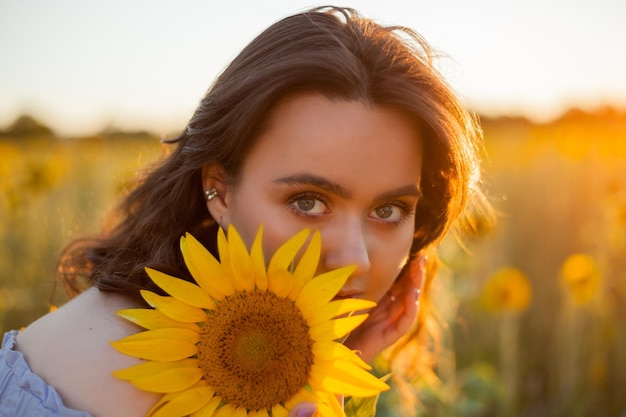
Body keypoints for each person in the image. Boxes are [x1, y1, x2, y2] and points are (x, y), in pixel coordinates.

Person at [0, 5, 488, 417]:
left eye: (389, 209)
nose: (355, 259)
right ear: (220, 190)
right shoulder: (119, 366)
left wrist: (326, 370)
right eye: (308, 202)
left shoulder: (242, 352)